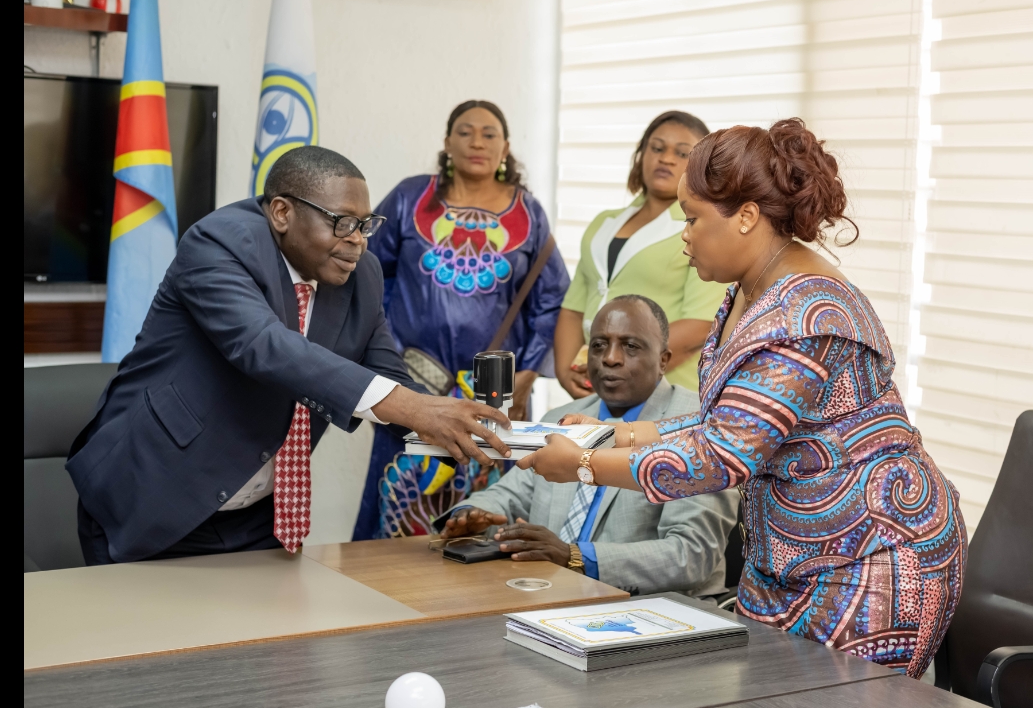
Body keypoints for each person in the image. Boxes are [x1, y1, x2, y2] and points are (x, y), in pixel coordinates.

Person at [519, 119, 968, 679]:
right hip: (786, 556)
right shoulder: (747, 291)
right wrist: (612, 433)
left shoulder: (805, 315)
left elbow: (721, 457)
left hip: (870, 556)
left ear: (747, 216)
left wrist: (584, 465)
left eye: (692, 218)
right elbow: (725, 422)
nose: (684, 235)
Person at [68, 146, 513, 565]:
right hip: (152, 491)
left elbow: (388, 378)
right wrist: (417, 408)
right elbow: (265, 347)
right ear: (282, 212)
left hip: (259, 517)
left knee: (268, 627)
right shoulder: (218, 243)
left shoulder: (362, 275)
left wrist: (475, 433)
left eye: (365, 225)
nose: (358, 241)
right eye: (343, 223)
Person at [354, 100, 568, 540]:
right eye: (465, 132)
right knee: (399, 504)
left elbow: (550, 300)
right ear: (447, 142)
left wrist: (527, 375)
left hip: (493, 391)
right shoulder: (410, 197)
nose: (477, 142)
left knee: (486, 510)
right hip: (414, 383)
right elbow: (368, 272)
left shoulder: (528, 212)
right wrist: (386, 353)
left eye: (489, 134)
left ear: (505, 147)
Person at [438, 295, 738, 597]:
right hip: (549, 596)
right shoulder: (561, 420)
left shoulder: (698, 424)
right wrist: (472, 516)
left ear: (663, 360)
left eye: (630, 346)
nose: (610, 358)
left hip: (652, 610)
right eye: (598, 345)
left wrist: (574, 556)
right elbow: (509, 495)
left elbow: (691, 554)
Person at [555, 111, 727, 398]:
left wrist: (615, 366)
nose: (666, 158)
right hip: (597, 385)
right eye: (657, 148)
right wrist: (565, 371)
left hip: (665, 392)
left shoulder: (704, 230)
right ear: (641, 154)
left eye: (682, 153)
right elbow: (573, 310)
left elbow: (699, 324)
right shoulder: (603, 223)